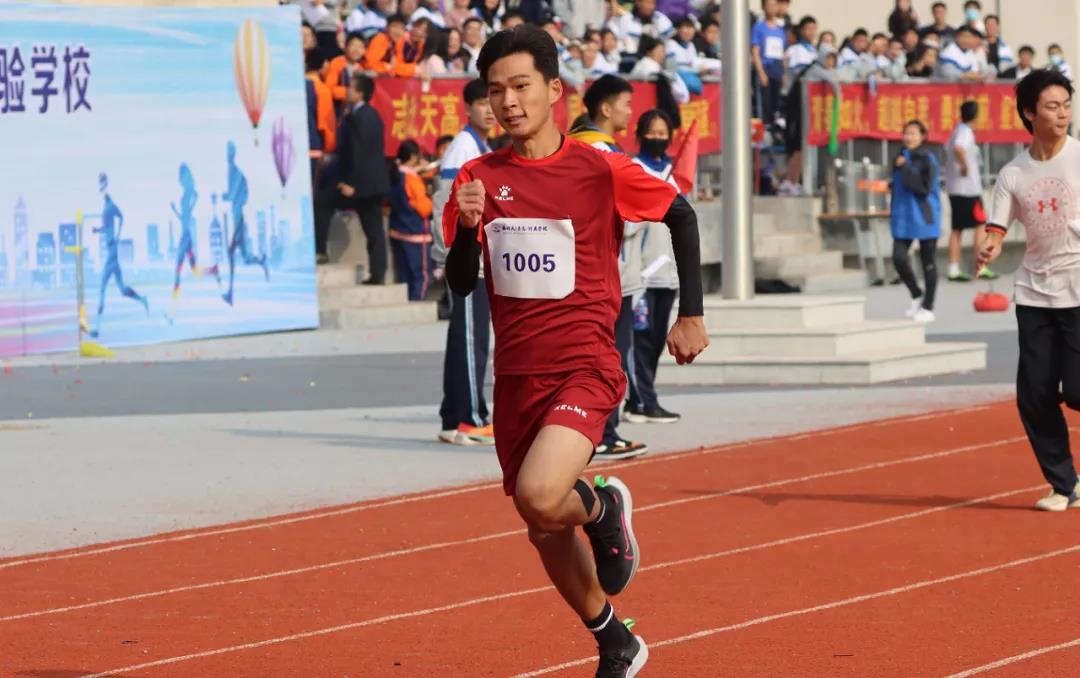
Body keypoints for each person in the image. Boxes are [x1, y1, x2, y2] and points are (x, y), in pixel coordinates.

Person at [443, 25, 707, 675]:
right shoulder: (478, 177)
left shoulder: (598, 168)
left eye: (521, 86)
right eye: (495, 91)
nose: (508, 102)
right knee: (541, 524)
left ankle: (602, 505)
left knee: (541, 495)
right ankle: (616, 640)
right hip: (517, 377)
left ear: (554, 90)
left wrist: (692, 314)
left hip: (585, 366)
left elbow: (680, 214)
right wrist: (469, 227)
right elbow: (462, 283)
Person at [978, 69, 1080, 511]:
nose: (1063, 114)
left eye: (1067, 105)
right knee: (1035, 394)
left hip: (1079, 289)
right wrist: (989, 246)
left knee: (1077, 392)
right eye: (1052, 107)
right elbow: (997, 228)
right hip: (1035, 292)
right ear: (1029, 113)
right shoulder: (1013, 173)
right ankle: (1065, 485)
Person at [569, 75, 651, 461]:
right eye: (626, 105)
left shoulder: (576, 145)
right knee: (607, 354)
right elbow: (622, 214)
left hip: (589, 266)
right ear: (605, 108)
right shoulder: (602, 152)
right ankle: (602, 432)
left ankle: (597, 431)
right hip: (604, 268)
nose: (630, 112)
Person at [432, 78, 498, 447]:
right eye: (482, 102)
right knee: (473, 337)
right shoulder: (463, 149)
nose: (490, 109)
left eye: (494, 101)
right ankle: (470, 418)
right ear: (468, 107)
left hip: (472, 255)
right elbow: (445, 204)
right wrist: (450, 254)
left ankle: (452, 416)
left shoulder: (480, 146)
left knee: (465, 336)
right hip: (467, 258)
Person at [624, 109, 681, 424]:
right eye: (652, 132)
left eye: (663, 133)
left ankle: (642, 397)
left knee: (657, 339)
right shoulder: (635, 169)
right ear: (640, 134)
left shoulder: (675, 172)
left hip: (667, 272)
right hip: (642, 272)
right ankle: (641, 401)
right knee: (640, 339)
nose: (658, 138)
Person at [336, 74, 391, 285]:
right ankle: (377, 273)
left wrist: (352, 184)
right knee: (373, 231)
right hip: (367, 184)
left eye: (350, 87)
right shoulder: (362, 114)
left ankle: (378, 273)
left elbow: (360, 154)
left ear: (360, 93)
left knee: (374, 231)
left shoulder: (363, 117)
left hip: (366, 185)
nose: (347, 90)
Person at [890, 120, 941, 324]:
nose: (909, 137)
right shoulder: (900, 156)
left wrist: (906, 167)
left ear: (922, 136)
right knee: (898, 258)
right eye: (906, 133)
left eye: (913, 133)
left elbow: (923, 187)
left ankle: (928, 306)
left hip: (924, 216)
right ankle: (916, 293)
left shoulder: (927, 158)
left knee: (928, 262)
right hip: (903, 217)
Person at [91, 172, 149, 338]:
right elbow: (107, 226)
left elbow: (121, 217)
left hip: (112, 250)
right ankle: (142, 300)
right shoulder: (106, 207)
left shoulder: (110, 206)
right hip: (112, 250)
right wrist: (98, 230)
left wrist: (118, 235)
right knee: (122, 289)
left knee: (102, 287)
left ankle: (97, 328)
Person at [945, 101, 993, 281]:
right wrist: (964, 165)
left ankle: (953, 268)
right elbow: (958, 148)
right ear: (976, 116)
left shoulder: (957, 130)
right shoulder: (965, 132)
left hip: (956, 188)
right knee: (980, 225)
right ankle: (980, 266)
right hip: (968, 190)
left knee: (957, 228)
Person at [221, 141, 269, 306]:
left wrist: (227, 197)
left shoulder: (234, 171)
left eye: (229, 151)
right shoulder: (234, 171)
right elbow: (236, 193)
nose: (227, 154)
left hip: (238, 217)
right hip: (237, 216)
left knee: (231, 252)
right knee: (244, 257)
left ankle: (230, 293)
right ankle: (261, 261)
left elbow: (234, 193)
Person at [387, 140, 434, 301]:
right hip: (415, 233)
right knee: (421, 276)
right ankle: (418, 306)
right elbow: (424, 207)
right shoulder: (412, 179)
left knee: (404, 276)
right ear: (414, 157)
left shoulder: (394, 174)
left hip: (397, 231)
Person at [170, 163, 220, 301]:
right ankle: (213, 270)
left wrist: (178, 209)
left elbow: (186, 217)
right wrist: (175, 210)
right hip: (186, 236)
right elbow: (185, 217)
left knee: (178, 269)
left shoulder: (187, 195)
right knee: (193, 270)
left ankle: (174, 299)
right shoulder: (187, 194)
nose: (179, 178)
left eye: (181, 175)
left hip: (185, 237)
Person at [751, 0, 786, 131]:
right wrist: (761, 72)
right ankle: (763, 131)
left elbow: (782, 53)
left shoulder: (780, 29)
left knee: (775, 104)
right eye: (769, 5)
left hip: (777, 70)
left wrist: (783, 73)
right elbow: (755, 51)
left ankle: (774, 129)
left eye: (774, 5)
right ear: (764, 7)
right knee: (764, 104)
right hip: (765, 69)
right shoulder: (759, 27)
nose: (772, 8)